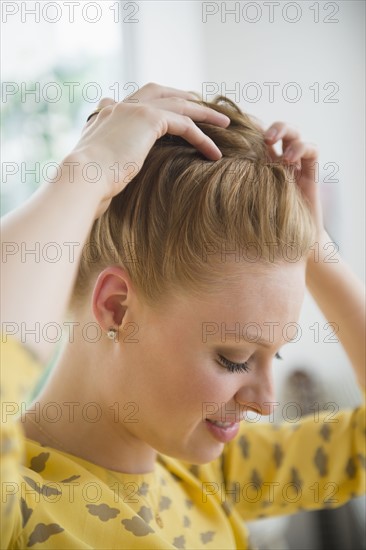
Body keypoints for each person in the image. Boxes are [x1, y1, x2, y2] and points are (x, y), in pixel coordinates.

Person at [1, 82, 364, 549]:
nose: (266, 402)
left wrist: (317, 250)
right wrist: (85, 175)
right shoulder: (21, 509)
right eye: (234, 359)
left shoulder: (211, 471)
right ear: (116, 307)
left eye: (272, 356)